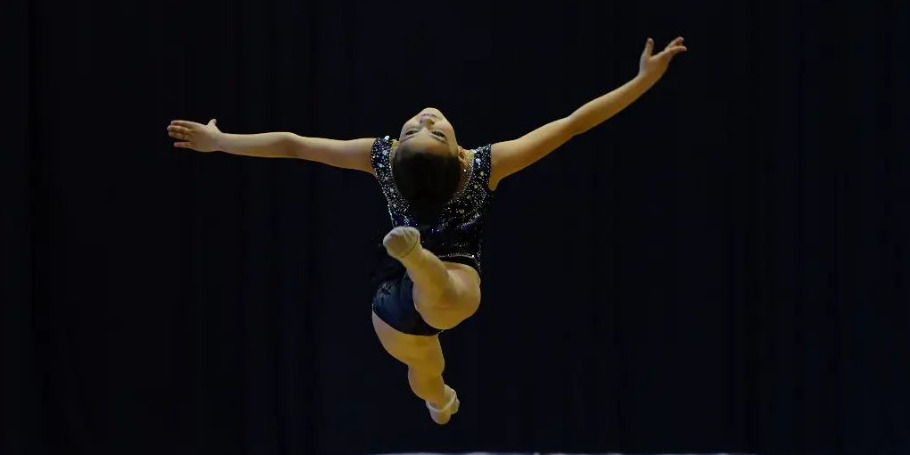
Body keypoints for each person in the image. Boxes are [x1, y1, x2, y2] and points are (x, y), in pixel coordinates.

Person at [166, 37, 687, 425]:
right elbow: (573, 123)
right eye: (424, 130)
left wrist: (222, 141)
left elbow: (294, 144)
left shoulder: (382, 157)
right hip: (414, 295)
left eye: (424, 130)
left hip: (414, 295)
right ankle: (435, 368)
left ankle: (420, 275)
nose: (424, 121)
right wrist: (641, 81)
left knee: (437, 329)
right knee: (432, 362)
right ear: (459, 156)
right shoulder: (482, 164)